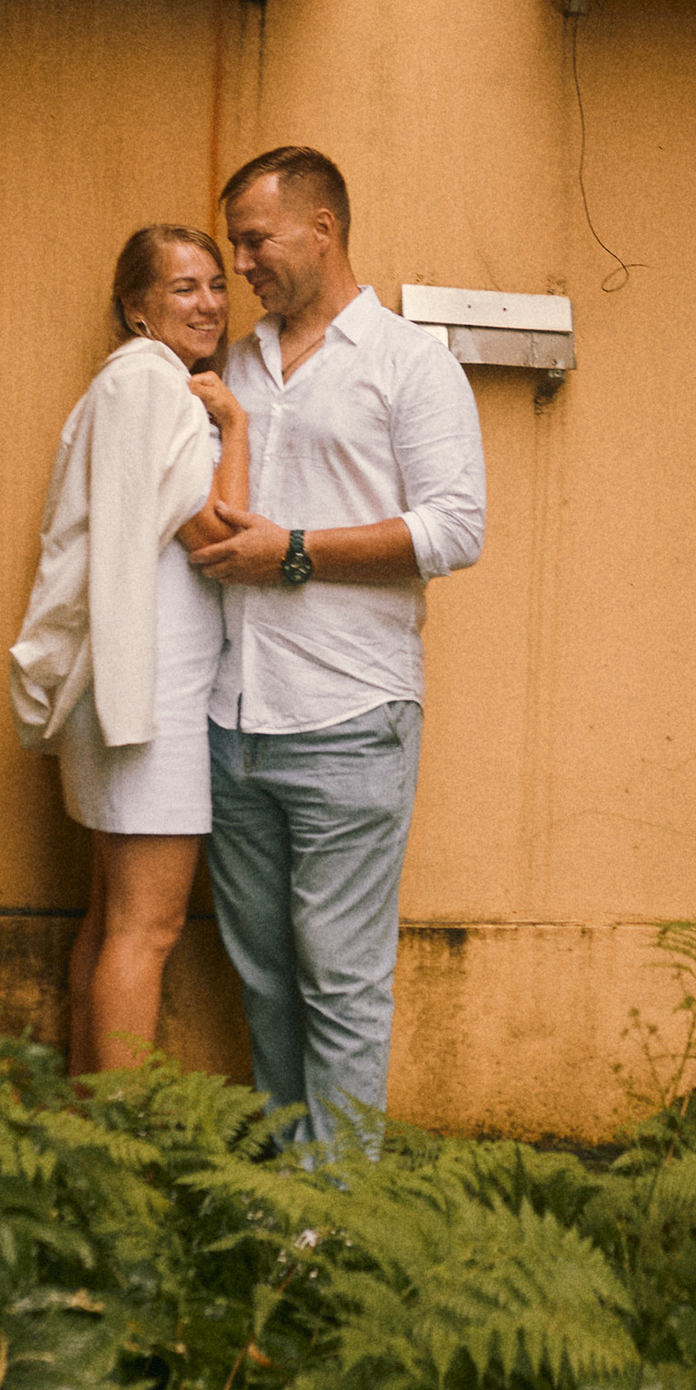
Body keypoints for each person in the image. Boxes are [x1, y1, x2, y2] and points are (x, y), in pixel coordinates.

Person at [188, 144, 486, 1154]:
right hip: (233, 723)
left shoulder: (411, 363)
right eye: (232, 244)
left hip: (350, 724)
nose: (241, 264)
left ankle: (336, 1231)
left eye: (255, 239)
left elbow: (455, 529)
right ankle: (283, 1203)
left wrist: (297, 553)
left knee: (341, 981)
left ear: (323, 229)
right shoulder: (234, 365)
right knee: (265, 978)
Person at [10, 226, 248, 1077]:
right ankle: (119, 1167)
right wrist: (238, 425)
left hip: (116, 686)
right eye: (183, 288)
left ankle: (86, 1143)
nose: (209, 304)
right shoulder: (157, 387)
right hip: (152, 699)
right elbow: (218, 537)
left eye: (217, 285)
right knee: (149, 930)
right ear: (134, 307)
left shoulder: (120, 388)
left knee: (112, 921)